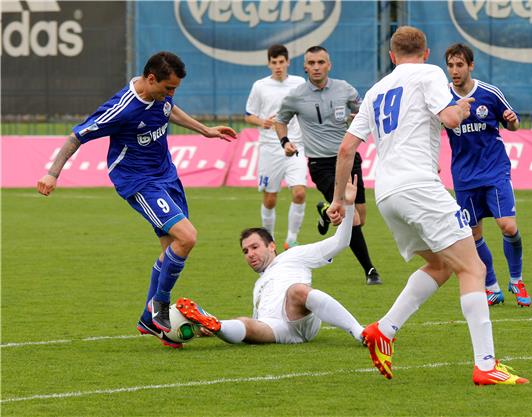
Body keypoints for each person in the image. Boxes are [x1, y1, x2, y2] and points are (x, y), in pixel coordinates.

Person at [328, 26, 528, 385]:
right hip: (418, 186)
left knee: (440, 266)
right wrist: (461, 107)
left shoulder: (375, 90)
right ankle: (485, 365)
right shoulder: (428, 73)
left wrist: (336, 199)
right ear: (425, 52)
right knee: (472, 269)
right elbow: (450, 119)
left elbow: (346, 149)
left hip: (386, 194)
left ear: (392, 56)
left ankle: (383, 330)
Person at [37, 51, 237, 349]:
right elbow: (77, 136)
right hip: (138, 182)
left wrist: (205, 130)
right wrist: (52, 173)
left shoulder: (161, 96)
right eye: (168, 88)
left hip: (167, 175)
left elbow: (170, 109)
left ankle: (148, 318)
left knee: (172, 248)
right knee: (187, 237)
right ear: (151, 79)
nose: (171, 94)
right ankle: (160, 306)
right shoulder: (122, 108)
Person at [176, 176, 364, 345]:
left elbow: (340, 242)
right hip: (276, 329)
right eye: (245, 251)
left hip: (298, 315)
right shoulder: (258, 286)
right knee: (247, 323)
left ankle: (360, 333)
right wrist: (221, 330)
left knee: (296, 290)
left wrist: (348, 203)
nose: (250, 254)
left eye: (255, 247)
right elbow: (254, 325)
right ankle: (216, 325)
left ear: (272, 246)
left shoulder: (294, 255)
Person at [274, 45, 382, 285]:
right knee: (350, 218)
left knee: (360, 218)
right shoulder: (296, 96)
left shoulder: (345, 89)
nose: (316, 67)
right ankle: (370, 270)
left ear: (328, 65)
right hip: (321, 164)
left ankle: (325, 210)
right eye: (311, 63)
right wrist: (285, 141)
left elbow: (364, 110)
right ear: (305, 67)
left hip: (349, 159)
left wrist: (358, 118)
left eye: (320, 62)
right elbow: (279, 121)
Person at [444, 43, 531, 307]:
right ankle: (492, 287)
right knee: (474, 235)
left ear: (471, 66)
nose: (455, 70)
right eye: (450, 65)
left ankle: (516, 279)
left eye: (460, 65)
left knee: (508, 226)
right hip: (464, 176)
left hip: (494, 170)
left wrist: (513, 120)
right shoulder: (442, 98)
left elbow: (512, 125)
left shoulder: (489, 93)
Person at [245, 44, 307, 250]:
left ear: (288, 62)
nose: (278, 66)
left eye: (281, 62)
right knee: (270, 199)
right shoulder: (260, 86)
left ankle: (292, 238)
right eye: (274, 63)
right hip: (270, 149)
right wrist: (261, 121)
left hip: (295, 145)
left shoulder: (299, 83)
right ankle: (268, 240)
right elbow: (248, 115)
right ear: (269, 64)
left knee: (299, 193)